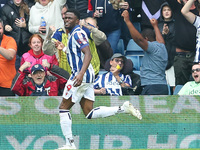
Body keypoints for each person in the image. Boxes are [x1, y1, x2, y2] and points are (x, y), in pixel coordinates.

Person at [56, 9, 142, 149]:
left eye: (70, 18)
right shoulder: (73, 34)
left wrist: (80, 74)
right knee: (89, 112)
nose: (66, 20)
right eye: (65, 18)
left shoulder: (78, 33)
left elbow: (88, 54)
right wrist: (64, 48)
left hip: (80, 76)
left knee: (63, 109)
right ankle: (123, 108)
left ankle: (70, 144)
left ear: (77, 21)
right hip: (86, 76)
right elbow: (78, 54)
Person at [122, 10, 168, 95]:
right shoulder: (162, 46)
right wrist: (155, 26)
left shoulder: (153, 47)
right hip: (162, 86)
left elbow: (138, 39)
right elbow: (160, 40)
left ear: (146, 39)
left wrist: (128, 21)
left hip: (152, 87)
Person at [166, 0, 198, 86]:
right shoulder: (177, 7)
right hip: (181, 56)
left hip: (197, 56)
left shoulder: (198, 9)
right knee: (181, 87)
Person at [1, 0, 32, 71]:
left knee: (28, 69)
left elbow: (34, 25)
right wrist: (5, 26)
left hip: (27, 44)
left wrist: (25, 26)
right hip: (13, 44)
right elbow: (3, 22)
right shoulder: (5, 8)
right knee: (15, 70)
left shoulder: (30, 6)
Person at [158, 2, 176, 92]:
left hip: (174, 57)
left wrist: (168, 34)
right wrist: (163, 34)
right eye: (164, 10)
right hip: (161, 59)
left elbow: (176, 41)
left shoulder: (177, 24)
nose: (166, 12)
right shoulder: (158, 26)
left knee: (174, 84)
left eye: (168, 10)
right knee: (163, 86)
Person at [0, 19, 17, 96]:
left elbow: (10, 55)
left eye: (0, 28)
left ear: (3, 28)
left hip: (7, 85)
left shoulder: (10, 40)